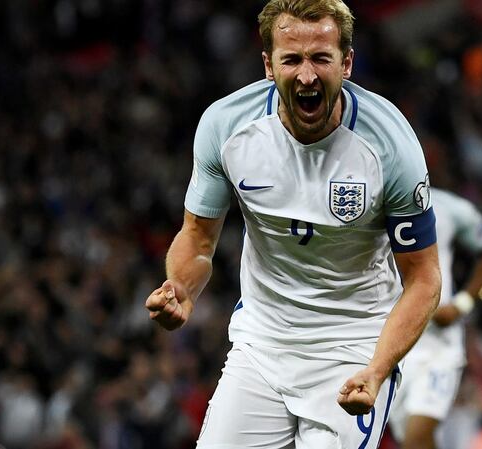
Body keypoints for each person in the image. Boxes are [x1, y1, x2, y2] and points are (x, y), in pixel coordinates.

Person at [144, 1, 442, 447]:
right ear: (269, 65)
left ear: (347, 63)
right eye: (292, 59)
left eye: (321, 58)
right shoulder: (226, 127)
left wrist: (378, 369)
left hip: (352, 347)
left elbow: (423, 278)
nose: (307, 76)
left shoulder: (390, 146)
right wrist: (181, 288)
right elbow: (198, 239)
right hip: (262, 344)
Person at [389, 187, 482, 449]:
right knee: (408, 439)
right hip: (389, 345)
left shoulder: (450, 208)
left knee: (417, 437)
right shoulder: (373, 203)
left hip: (437, 345)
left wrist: (461, 304)